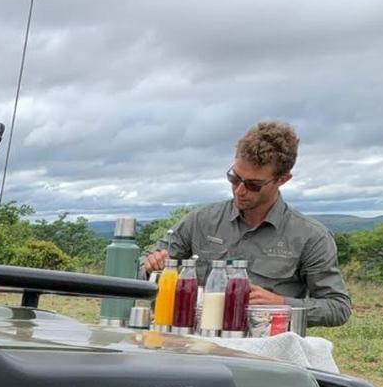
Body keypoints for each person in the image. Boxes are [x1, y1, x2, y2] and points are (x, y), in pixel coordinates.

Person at [143, 121, 351, 327]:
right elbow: (145, 266)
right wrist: (151, 266)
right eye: (234, 178)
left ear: (283, 179)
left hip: (264, 353)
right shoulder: (201, 221)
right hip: (198, 345)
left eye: (253, 185)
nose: (240, 190)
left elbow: (337, 307)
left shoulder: (311, 237)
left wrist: (281, 304)